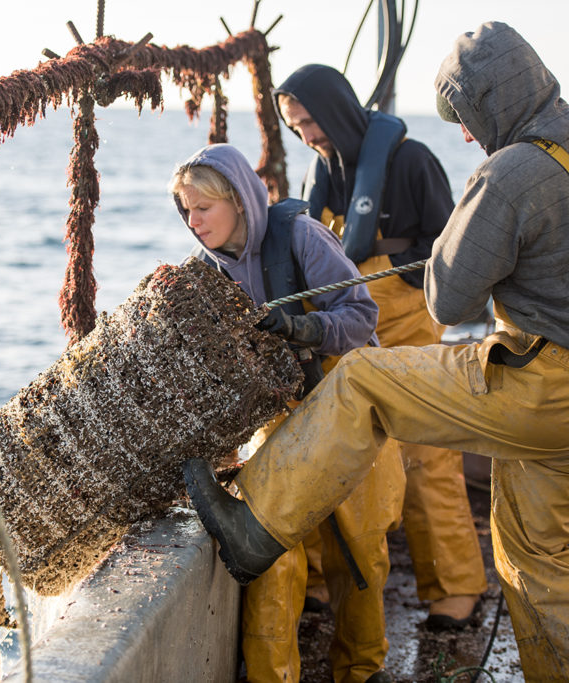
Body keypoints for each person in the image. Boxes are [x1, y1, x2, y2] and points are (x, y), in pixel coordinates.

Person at [183, 21, 569, 682]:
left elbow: (447, 300)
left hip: (546, 386)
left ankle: (253, 524)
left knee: (361, 381)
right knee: (536, 560)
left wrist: (482, 226)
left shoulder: (508, 173)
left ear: (492, 99)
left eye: (466, 116)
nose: (466, 133)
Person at [171, 143, 404, 683]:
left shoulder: (299, 236)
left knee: (362, 552)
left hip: (347, 397)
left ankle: (362, 670)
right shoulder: (206, 275)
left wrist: (305, 327)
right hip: (278, 415)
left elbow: (361, 314)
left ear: (239, 199)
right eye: (186, 210)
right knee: (273, 554)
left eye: (203, 206)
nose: (194, 220)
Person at [273, 63, 488, 630]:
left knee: (425, 457)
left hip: (407, 329)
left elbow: (448, 247)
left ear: (336, 110)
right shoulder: (322, 169)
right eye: (295, 129)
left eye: (309, 123)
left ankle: (457, 587)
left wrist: (382, 269)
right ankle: (318, 580)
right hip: (341, 331)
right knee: (326, 453)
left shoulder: (412, 161)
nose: (306, 137)